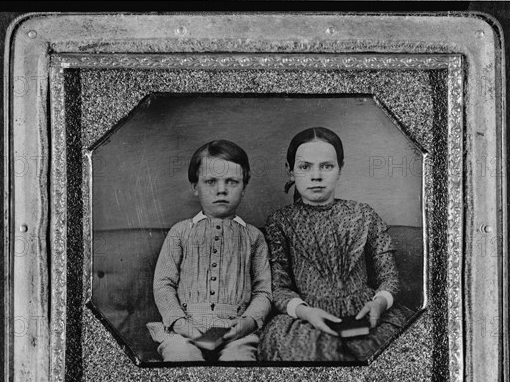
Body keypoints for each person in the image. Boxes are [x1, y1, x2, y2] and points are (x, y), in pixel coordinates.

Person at [258, 127, 416, 362]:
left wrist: (380, 303)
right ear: (290, 171)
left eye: (327, 166)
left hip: (365, 312)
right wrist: (306, 312)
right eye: (305, 167)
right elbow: (279, 287)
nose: (316, 176)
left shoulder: (363, 214)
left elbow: (389, 276)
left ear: (340, 168)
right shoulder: (280, 221)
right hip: (307, 317)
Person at [149, 140, 271, 362]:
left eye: (232, 182)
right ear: (195, 187)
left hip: (235, 332)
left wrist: (248, 322)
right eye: (211, 181)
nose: (221, 189)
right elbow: (163, 284)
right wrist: (180, 324)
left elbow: (263, 291)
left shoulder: (254, 237)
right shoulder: (180, 232)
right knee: (182, 355)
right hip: (185, 330)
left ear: (244, 187)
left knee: (240, 359)